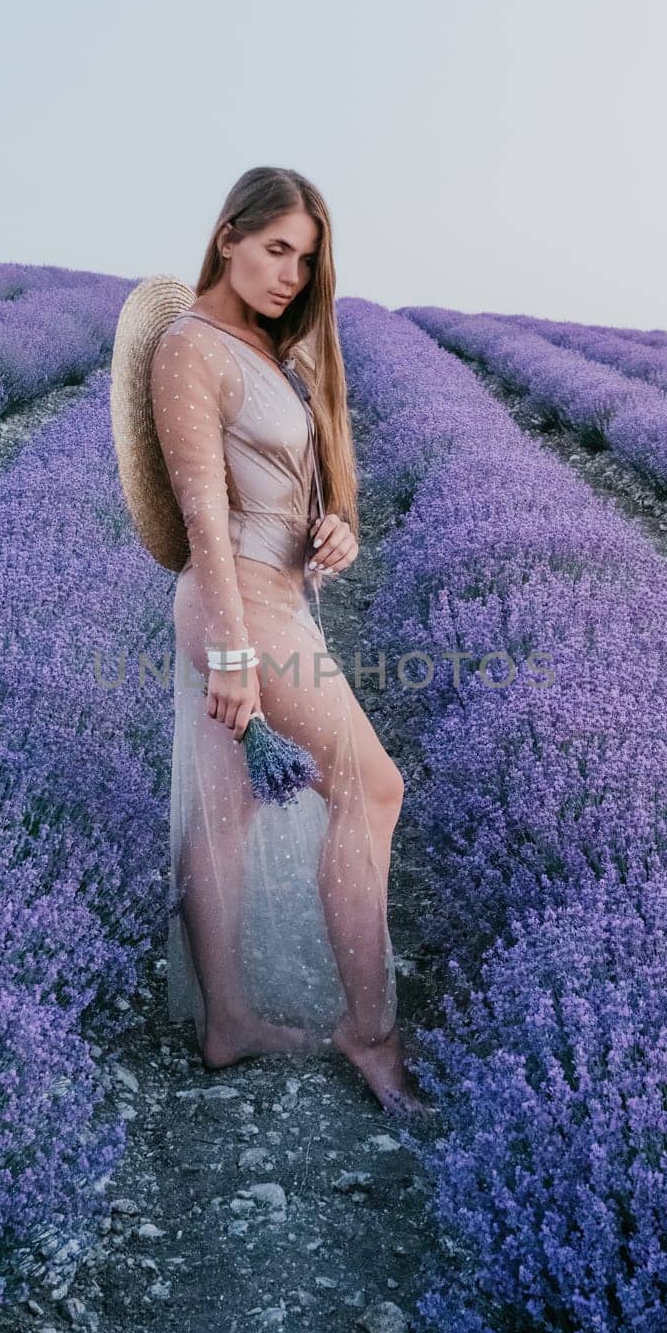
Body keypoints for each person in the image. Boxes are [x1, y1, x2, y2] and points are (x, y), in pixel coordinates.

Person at [149, 166, 429, 1119]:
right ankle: (369, 1028)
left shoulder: (271, 357)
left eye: (305, 260)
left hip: (278, 598)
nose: (290, 274)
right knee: (372, 786)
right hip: (241, 610)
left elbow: (283, 496)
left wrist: (334, 526)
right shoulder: (191, 347)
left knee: (225, 819)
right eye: (275, 249)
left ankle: (227, 1023)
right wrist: (231, 650)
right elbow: (203, 517)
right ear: (228, 235)